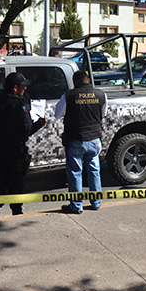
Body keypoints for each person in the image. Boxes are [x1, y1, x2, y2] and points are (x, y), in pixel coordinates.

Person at [0, 72, 46, 218]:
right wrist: (40, 123)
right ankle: (17, 212)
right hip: (15, 150)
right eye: (22, 86)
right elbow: (26, 130)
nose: (25, 88)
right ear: (14, 88)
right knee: (16, 182)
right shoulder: (18, 105)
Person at [55, 70, 107, 214]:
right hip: (94, 139)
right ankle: (96, 202)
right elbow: (103, 114)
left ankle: (76, 205)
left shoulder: (69, 95)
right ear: (88, 80)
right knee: (94, 171)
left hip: (76, 140)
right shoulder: (101, 94)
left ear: (74, 82)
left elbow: (57, 114)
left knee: (75, 173)